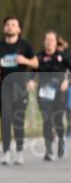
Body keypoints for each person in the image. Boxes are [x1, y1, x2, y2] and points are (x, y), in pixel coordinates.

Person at [0, 15, 38, 165]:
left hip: (20, 88)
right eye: (7, 24)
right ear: (3, 28)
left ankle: (19, 151)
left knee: (18, 120)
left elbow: (35, 63)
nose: (10, 27)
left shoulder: (25, 45)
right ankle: (6, 152)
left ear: (19, 29)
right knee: (5, 120)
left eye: (13, 24)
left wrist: (25, 61)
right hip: (4, 88)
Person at [33, 31, 70, 160]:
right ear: (44, 42)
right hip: (43, 93)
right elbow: (32, 72)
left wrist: (67, 80)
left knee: (58, 120)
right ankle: (48, 151)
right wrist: (31, 81)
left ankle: (61, 140)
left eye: (52, 40)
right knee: (47, 121)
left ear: (56, 42)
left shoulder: (63, 56)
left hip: (59, 93)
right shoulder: (38, 57)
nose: (49, 42)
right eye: (47, 40)